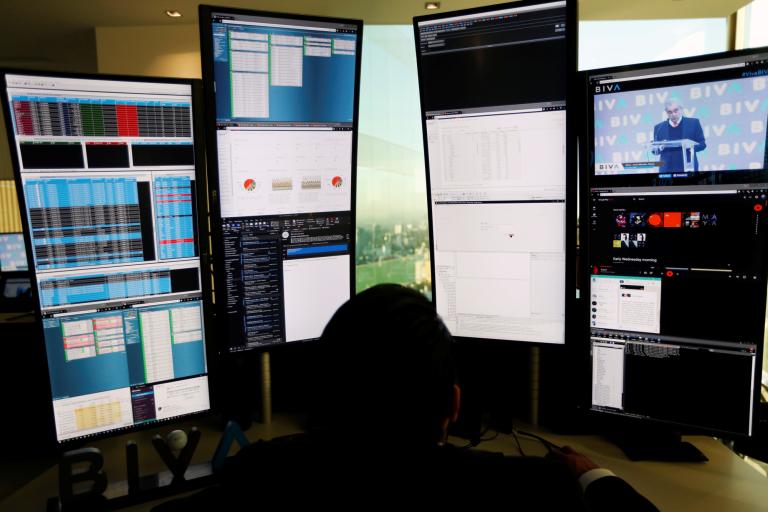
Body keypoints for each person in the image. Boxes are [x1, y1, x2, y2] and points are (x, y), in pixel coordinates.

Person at [155, 284, 657, 511]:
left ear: (321, 401)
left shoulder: (261, 475)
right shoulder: (535, 489)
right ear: (453, 407)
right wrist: (591, 473)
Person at [652, 97, 706, 172]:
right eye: (669, 112)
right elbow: (654, 151)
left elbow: (702, 144)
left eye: (675, 110)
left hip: (688, 168)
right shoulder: (659, 128)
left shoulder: (693, 123)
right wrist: (660, 147)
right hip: (666, 170)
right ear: (666, 112)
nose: (673, 114)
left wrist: (691, 147)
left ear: (681, 109)